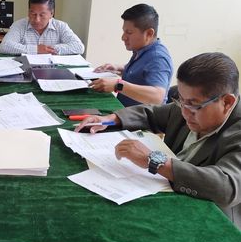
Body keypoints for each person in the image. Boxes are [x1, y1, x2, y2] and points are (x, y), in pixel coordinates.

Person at [75, 52, 241, 229]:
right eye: (181, 100)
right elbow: (152, 113)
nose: (184, 112)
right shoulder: (187, 108)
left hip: (210, 221)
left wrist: (153, 160)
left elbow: (226, 187)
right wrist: (110, 119)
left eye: (193, 105)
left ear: (227, 102)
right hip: (165, 193)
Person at [91, 4, 173, 106]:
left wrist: (118, 85)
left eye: (129, 32)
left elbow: (157, 97)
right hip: (124, 110)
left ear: (149, 33)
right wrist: (118, 68)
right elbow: (141, 72)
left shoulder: (158, 58)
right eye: (124, 31)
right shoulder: (142, 49)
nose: (123, 37)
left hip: (141, 116)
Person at [0, 0, 84, 55]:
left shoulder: (61, 26)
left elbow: (79, 47)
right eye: (33, 14)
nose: (37, 20)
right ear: (28, 12)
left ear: (51, 13)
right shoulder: (19, 25)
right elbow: (5, 46)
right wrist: (36, 49)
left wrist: (49, 49)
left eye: (42, 15)